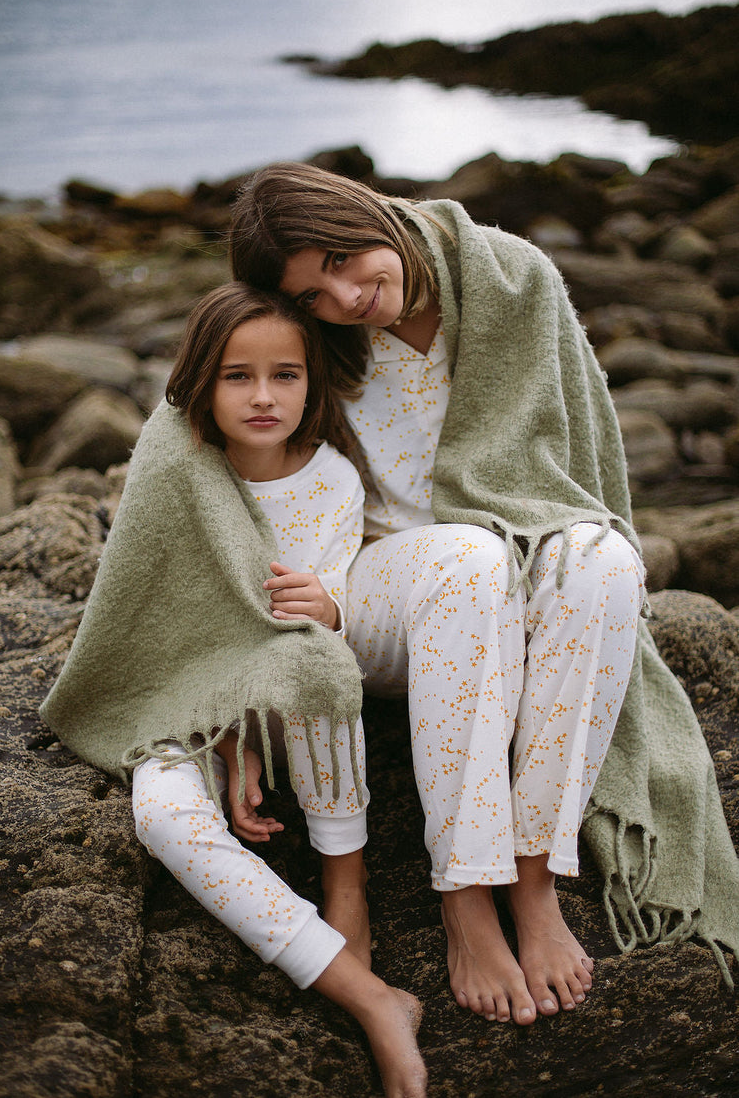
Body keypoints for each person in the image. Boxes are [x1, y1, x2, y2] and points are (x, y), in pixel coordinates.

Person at [227, 162, 739, 1024]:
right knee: (469, 557)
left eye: (347, 259)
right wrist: (232, 692)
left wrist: (584, 554)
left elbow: (585, 455)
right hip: (375, 588)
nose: (347, 296)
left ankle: (536, 877)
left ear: (371, 212)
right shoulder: (300, 332)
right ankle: (466, 890)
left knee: (607, 558)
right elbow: (197, 443)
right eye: (314, 293)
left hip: (514, 549)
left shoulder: (509, 275)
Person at [40, 283, 428, 1098]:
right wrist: (225, 734)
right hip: (183, 700)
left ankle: (344, 887)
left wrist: (330, 604)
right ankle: (370, 997)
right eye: (235, 376)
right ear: (199, 381)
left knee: (318, 662)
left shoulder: (331, 481)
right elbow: (152, 619)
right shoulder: (175, 466)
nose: (261, 397)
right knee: (162, 813)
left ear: (312, 382)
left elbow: (301, 625)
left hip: (292, 701)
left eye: (284, 374)